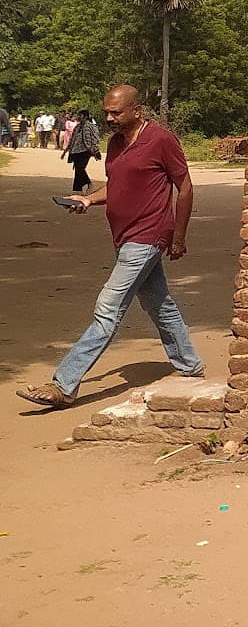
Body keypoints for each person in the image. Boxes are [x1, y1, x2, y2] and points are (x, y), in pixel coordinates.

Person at [17, 85, 204, 410]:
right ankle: (190, 367)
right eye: (106, 112)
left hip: (148, 236)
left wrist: (179, 234)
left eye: (116, 112)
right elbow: (117, 186)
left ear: (136, 111)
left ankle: (63, 385)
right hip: (124, 236)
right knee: (159, 304)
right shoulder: (116, 144)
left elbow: (184, 186)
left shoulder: (160, 139)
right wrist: (88, 199)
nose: (109, 118)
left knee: (108, 308)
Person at [62, 109, 102, 194]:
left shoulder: (91, 126)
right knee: (77, 170)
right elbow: (72, 139)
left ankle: (89, 183)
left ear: (85, 116)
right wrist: (66, 150)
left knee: (80, 169)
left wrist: (95, 150)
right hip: (76, 151)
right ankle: (77, 190)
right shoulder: (77, 126)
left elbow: (95, 139)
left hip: (86, 151)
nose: (78, 117)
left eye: (80, 115)